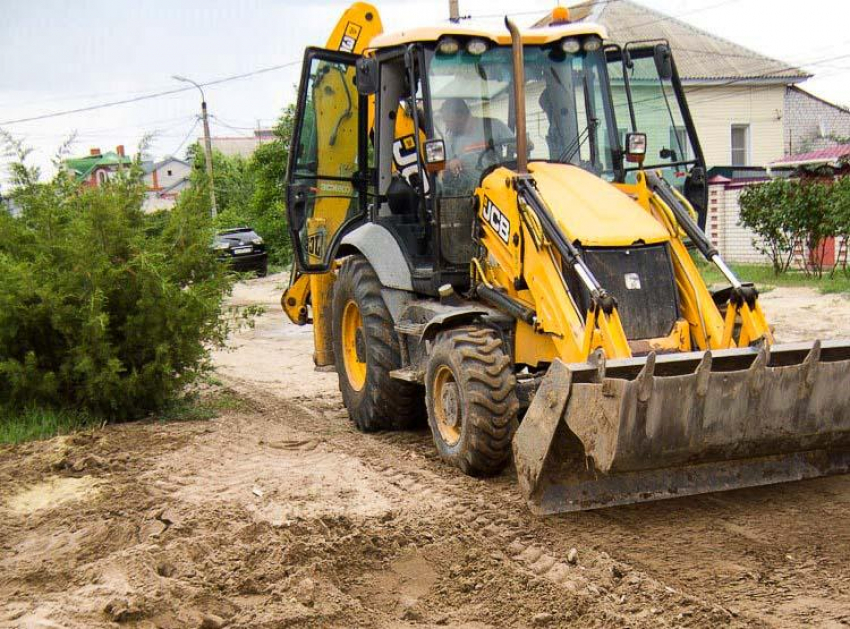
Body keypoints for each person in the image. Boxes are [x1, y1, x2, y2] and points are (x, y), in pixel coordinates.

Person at [439, 98, 514, 181]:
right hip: (468, 190)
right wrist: (450, 164)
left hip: (496, 185)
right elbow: (439, 166)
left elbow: (517, 145)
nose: (447, 127)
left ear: (460, 116)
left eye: (448, 122)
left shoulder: (494, 126)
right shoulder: (450, 139)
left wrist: (525, 145)